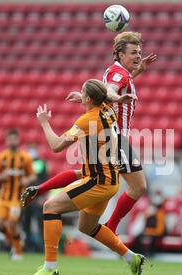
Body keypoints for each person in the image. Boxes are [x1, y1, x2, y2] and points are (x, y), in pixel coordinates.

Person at [23, 32, 157, 235]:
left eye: (139, 52)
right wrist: (118, 100)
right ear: (120, 55)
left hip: (103, 135)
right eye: (133, 53)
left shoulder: (118, 71)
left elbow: (110, 88)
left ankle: (40, 189)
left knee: (88, 176)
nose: (138, 56)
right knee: (138, 187)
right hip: (114, 138)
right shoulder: (118, 74)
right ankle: (111, 226)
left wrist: (138, 71)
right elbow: (112, 90)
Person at [23, 79, 145, 275]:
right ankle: (132, 258)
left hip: (98, 181)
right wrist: (83, 98)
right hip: (110, 179)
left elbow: (55, 146)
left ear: (89, 98)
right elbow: (104, 98)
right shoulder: (108, 110)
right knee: (86, 227)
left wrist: (44, 122)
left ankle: (50, 266)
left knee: (50, 208)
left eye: (82, 92)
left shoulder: (86, 121)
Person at [0, 129, 37, 260]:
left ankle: (18, 251)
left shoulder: (26, 157)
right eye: (10, 139)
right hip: (3, 197)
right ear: (7, 141)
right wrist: (2, 176)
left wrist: (27, 180)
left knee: (12, 224)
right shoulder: (2, 157)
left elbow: (33, 176)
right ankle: (14, 240)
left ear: (18, 140)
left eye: (14, 139)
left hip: (16, 198)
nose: (12, 141)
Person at [22, 143, 49, 252]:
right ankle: (27, 245)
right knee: (26, 223)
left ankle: (42, 246)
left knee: (39, 223)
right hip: (27, 198)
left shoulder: (40, 164)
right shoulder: (25, 164)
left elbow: (44, 180)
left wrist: (43, 197)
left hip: (37, 198)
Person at [133, 190, 166, 258]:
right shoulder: (149, 211)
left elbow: (160, 229)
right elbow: (145, 222)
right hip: (150, 231)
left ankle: (151, 254)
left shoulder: (161, 213)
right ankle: (141, 254)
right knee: (137, 238)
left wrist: (151, 232)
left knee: (153, 239)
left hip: (157, 232)